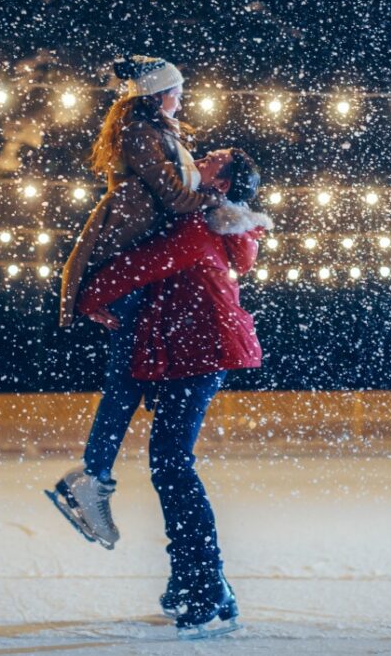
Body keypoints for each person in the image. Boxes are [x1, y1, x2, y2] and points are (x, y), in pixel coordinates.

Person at [76, 150, 268, 638]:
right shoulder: (207, 224)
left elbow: (142, 265)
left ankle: (206, 588)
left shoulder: (199, 228)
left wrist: (86, 294)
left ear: (221, 184)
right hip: (194, 352)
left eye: (213, 158)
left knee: (172, 465)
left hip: (199, 351)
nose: (200, 157)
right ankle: (191, 583)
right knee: (169, 464)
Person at [47, 55, 226, 550]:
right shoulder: (138, 131)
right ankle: (92, 477)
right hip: (123, 254)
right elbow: (173, 196)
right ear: (158, 94)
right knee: (125, 380)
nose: (181, 98)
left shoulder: (153, 131)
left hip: (135, 259)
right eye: (177, 90)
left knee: (129, 378)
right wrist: (217, 201)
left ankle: (93, 476)